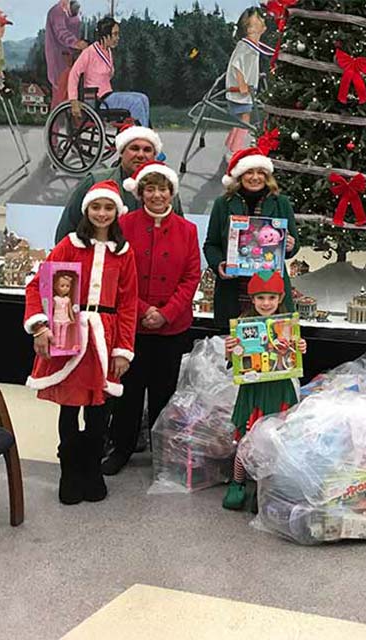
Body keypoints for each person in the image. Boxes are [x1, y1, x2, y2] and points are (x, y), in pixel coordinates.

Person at [22, 180, 138, 505]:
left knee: (99, 412)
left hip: (106, 339)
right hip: (70, 333)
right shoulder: (70, 245)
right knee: (71, 408)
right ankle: (69, 473)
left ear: (117, 212)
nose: (102, 213)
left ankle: (92, 471)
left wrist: (123, 349)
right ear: (87, 210)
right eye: (96, 207)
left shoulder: (124, 254)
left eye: (108, 207)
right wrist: (40, 326)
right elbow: (37, 287)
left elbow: (129, 303)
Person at [102, 162, 201, 475]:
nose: (157, 195)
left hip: (173, 326)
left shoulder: (188, 230)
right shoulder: (125, 224)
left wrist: (167, 312)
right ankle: (122, 447)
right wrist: (144, 310)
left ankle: (163, 452)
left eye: (162, 188)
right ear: (140, 192)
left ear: (171, 191)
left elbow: (191, 276)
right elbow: (118, 274)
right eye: (150, 188)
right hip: (133, 323)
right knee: (128, 391)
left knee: (165, 392)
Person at [223, 270, 307, 510]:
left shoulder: (287, 324)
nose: (266, 303)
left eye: (271, 298)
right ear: (252, 300)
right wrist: (230, 349)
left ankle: (266, 487)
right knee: (247, 439)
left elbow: (293, 357)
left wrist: (301, 345)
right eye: (260, 298)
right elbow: (234, 360)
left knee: (274, 440)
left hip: (280, 389)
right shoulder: (243, 323)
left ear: (279, 298)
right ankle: (238, 482)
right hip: (254, 391)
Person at [203, 143, 300, 327]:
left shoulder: (281, 203)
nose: (255, 177)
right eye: (249, 172)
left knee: (273, 345)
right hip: (233, 289)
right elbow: (211, 244)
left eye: (261, 172)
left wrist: (290, 245)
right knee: (234, 347)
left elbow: (293, 247)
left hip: (271, 292)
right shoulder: (223, 204)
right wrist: (219, 265)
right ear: (239, 176)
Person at [55, 123, 182, 243]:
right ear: (121, 152)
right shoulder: (95, 181)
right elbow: (67, 231)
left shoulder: (167, 189)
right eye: (134, 148)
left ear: (154, 155)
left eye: (147, 150)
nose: (140, 155)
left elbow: (180, 235)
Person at [68, 17, 150, 127]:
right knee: (136, 102)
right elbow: (74, 74)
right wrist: (73, 101)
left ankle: (146, 133)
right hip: (98, 100)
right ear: (105, 36)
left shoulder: (108, 52)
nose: (118, 38)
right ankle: (142, 136)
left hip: (108, 95)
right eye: (115, 34)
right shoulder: (89, 52)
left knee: (143, 98)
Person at [224, 6, 272, 154]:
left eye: (257, 26)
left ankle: (230, 143)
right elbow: (236, 65)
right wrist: (242, 83)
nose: (253, 30)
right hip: (239, 91)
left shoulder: (255, 46)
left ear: (263, 29)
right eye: (250, 27)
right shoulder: (245, 45)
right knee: (244, 121)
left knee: (242, 119)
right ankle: (235, 150)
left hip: (246, 92)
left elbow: (248, 67)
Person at [45, 0, 87, 107]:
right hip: (60, 59)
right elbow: (61, 32)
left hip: (72, 58)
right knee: (61, 96)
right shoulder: (57, 12)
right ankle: (57, 123)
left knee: (72, 94)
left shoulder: (73, 10)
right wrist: (76, 43)